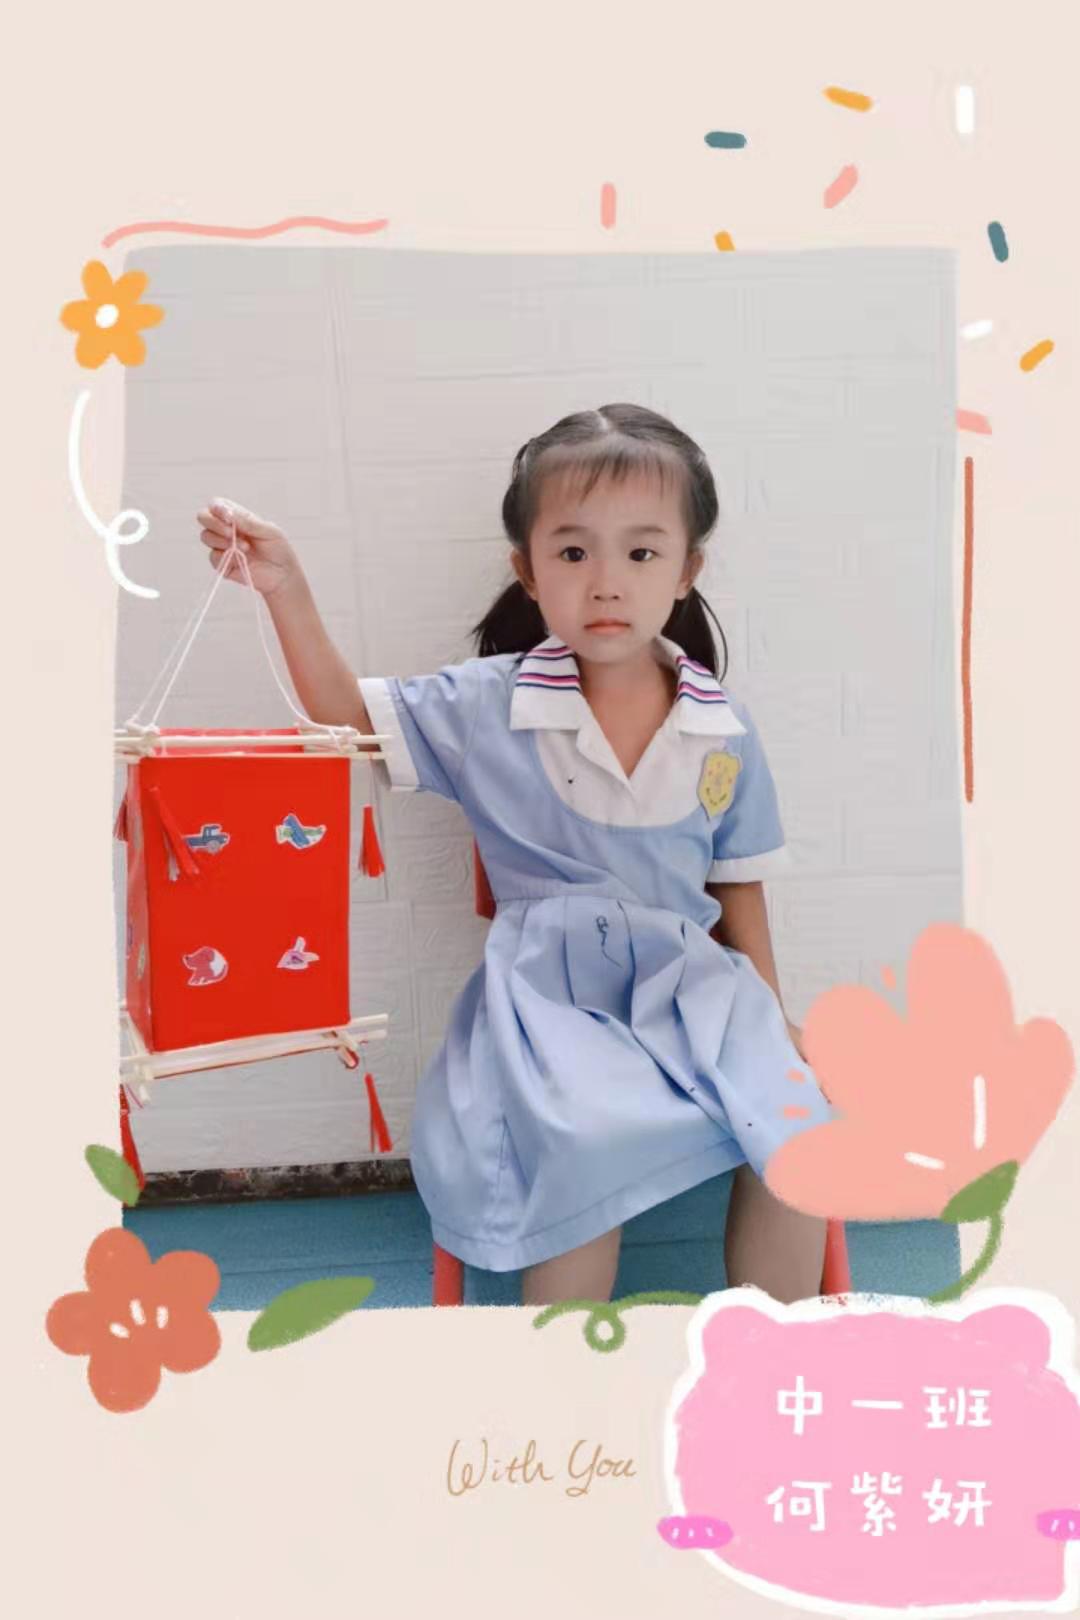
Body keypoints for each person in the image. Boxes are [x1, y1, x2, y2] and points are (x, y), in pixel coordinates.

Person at [195, 402, 833, 1307]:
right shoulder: (484, 704)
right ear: (527, 571)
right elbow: (343, 716)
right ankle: (560, 1368)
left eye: (641, 553)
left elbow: (737, 883)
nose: (606, 583)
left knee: (799, 1120)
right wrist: (285, 588)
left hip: (694, 988)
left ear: (687, 571)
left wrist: (771, 1011)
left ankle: (777, 1345)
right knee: (588, 1137)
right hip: (550, 998)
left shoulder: (720, 725)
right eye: (573, 553)